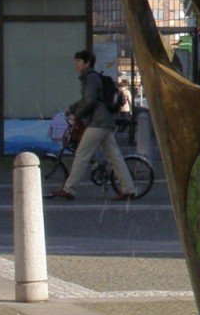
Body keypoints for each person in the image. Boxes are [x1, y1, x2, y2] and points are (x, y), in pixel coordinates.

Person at [49, 49, 135, 201]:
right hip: (104, 121)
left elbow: (90, 100)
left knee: (82, 154)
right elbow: (86, 100)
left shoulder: (91, 78)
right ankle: (128, 188)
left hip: (98, 121)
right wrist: (72, 108)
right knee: (113, 156)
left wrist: (76, 114)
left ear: (87, 63)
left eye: (79, 62)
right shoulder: (89, 78)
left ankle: (69, 189)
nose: (76, 64)